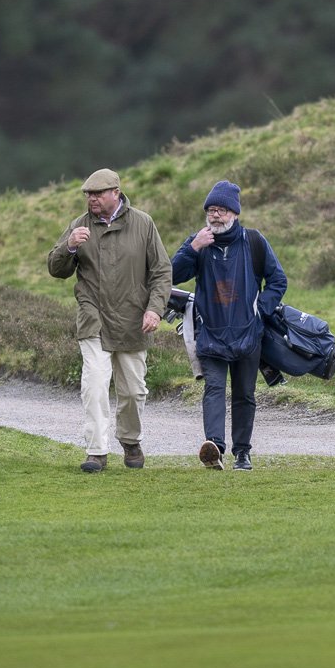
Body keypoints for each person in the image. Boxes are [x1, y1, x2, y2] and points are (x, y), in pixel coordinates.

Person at [47, 168, 172, 474]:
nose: (92, 200)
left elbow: (161, 271)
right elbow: (55, 269)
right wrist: (70, 247)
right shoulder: (79, 226)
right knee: (95, 385)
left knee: (132, 391)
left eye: (98, 194)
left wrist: (155, 309)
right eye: (88, 195)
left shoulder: (143, 223)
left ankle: (130, 441)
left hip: (134, 320)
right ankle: (96, 451)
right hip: (94, 319)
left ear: (116, 192)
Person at [172, 180, 287, 471]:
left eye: (221, 210)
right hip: (210, 332)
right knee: (213, 389)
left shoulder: (254, 241)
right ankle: (214, 447)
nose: (215, 215)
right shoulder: (197, 242)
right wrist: (193, 248)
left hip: (248, 333)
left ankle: (243, 453)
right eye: (211, 210)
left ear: (234, 213)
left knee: (244, 395)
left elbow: (278, 280)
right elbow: (171, 275)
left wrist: (259, 310)